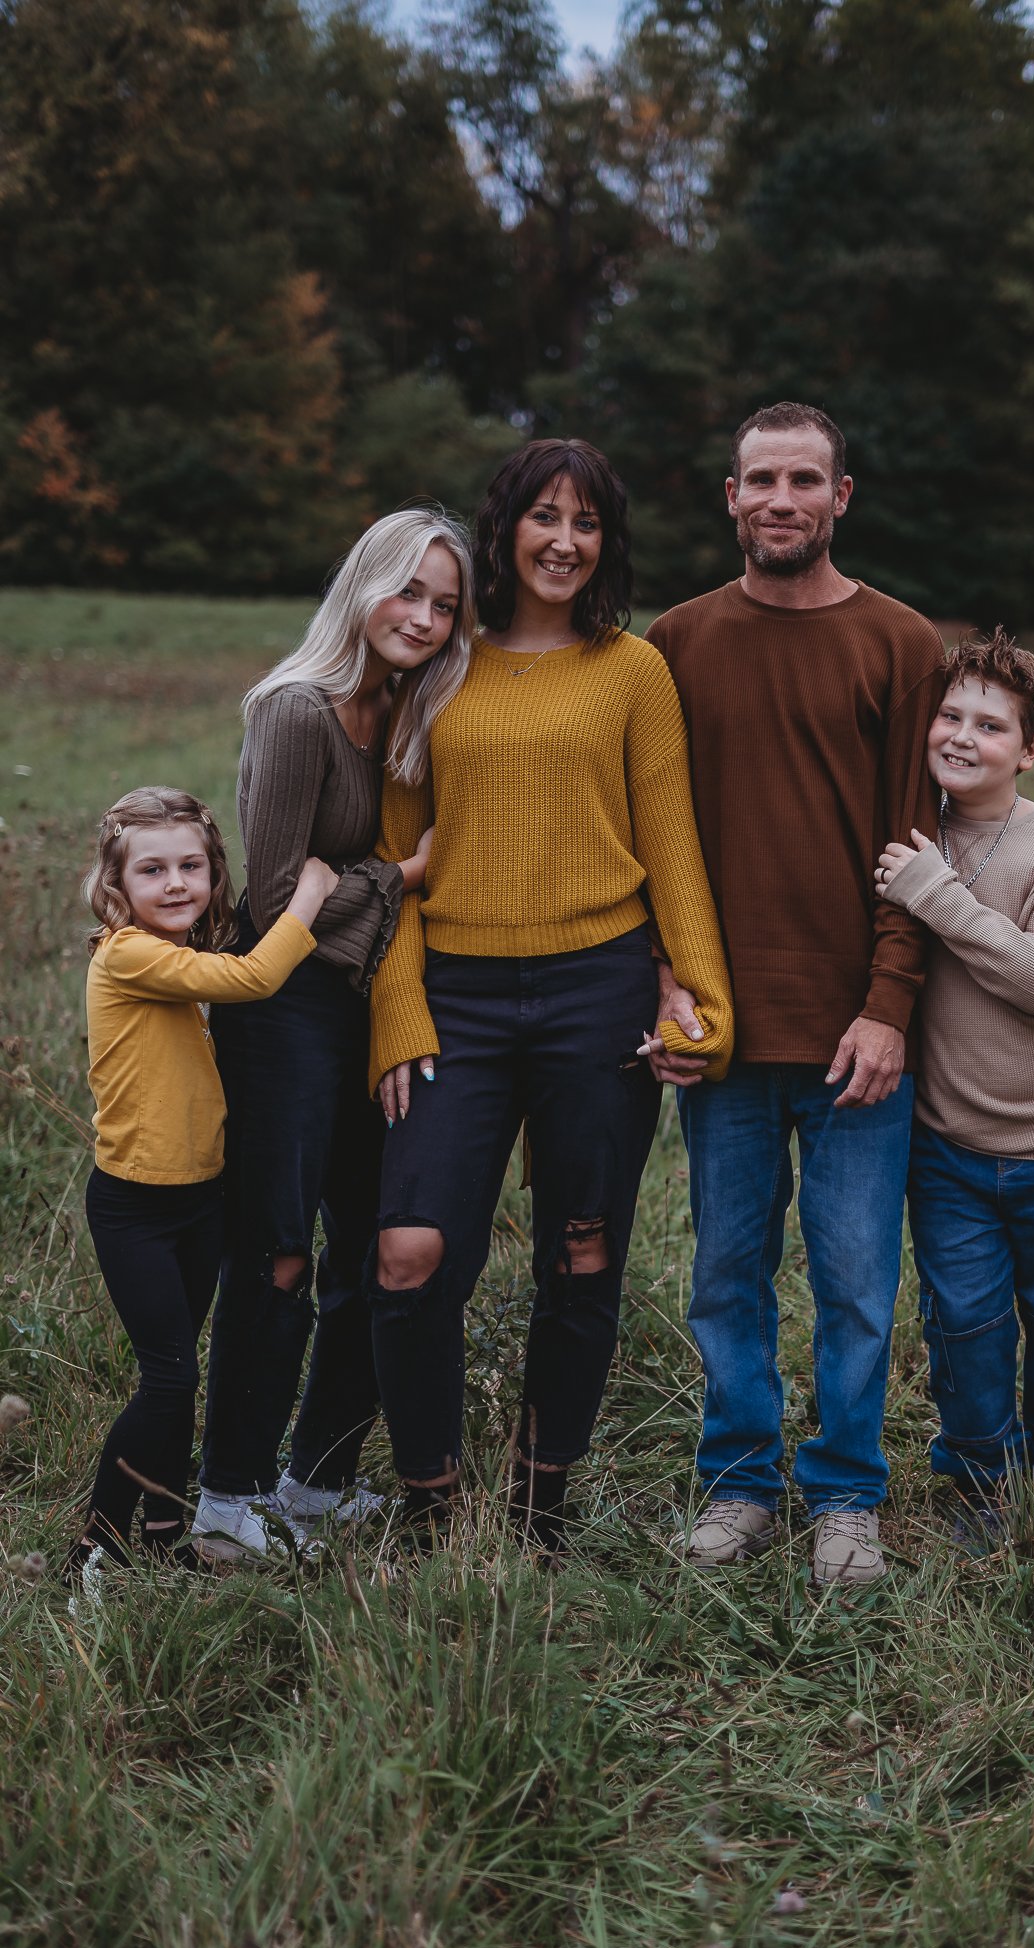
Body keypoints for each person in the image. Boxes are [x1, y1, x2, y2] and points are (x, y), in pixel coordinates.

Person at [368, 439, 733, 1554]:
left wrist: (703, 1004)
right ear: (505, 529)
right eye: (544, 517)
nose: (564, 540)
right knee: (410, 1249)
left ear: (605, 542)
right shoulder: (438, 664)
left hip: (599, 991)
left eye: (587, 522)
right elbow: (392, 857)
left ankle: (539, 1505)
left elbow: (671, 845)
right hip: (456, 1000)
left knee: (582, 1252)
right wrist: (397, 1009)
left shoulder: (632, 671)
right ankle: (430, 1501)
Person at [644, 401, 944, 1585]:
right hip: (717, 1025)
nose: (780, 498)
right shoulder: (674, 641)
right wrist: (659, 981)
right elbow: (645, 833)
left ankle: (847, 1498)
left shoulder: (902, 643)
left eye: (803, 479)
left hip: (855, 1028)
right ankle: (739, 1484)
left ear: (841, 496)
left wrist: (890, 1004)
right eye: (759, 478)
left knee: (858, 1279)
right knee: (726, 1269)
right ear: (730, 497)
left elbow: (919, 845)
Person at [191, 509, 476, 1562]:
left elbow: (327, 891)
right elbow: (272, 901)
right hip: (282, 1013)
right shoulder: (296, 710)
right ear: (363, 585)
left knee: (369, 1240)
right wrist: (400, 876)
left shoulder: (401, 714)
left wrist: (354, 891)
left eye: (445, 604)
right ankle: (226, 1493)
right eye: (408, 591)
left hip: (364, 1003)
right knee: (275, 1252)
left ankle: (314, 1477)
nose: (425, 617)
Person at [874, 628, 1034, 1544]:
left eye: (990, 724)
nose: (962, 735)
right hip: (949, 1145)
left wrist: (935, 896)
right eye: (950, 714)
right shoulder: (910, 830)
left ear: (1029, 749)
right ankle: (981, 1484)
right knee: (965, 1329)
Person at [71, 787, 336, 1594]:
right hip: (136, 1209)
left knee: (178, 1368)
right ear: (117, 886)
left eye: (192, 865)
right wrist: (314, 893)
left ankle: (161, 1532)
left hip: (197, 1200)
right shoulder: (127, 954)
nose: (176, 882)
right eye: (152, 870)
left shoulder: (175, 955)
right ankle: (98, 1545)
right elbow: (256, 977)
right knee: (169, 1378)